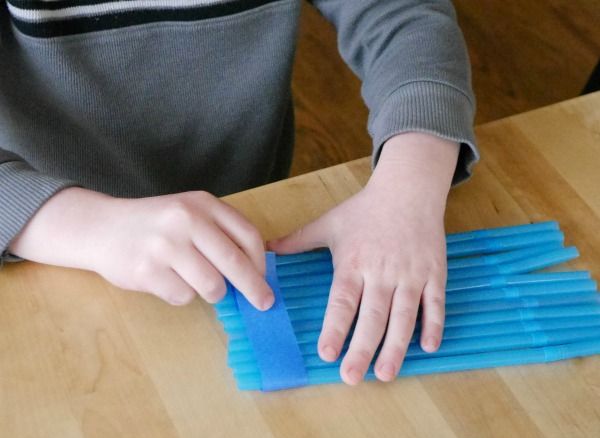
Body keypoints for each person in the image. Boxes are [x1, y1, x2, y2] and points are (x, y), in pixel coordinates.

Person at [0, 0, 478, 385]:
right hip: (54, 257)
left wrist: (408, 187)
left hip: (257, 223)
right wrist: (88, 226)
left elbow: (404, 16)